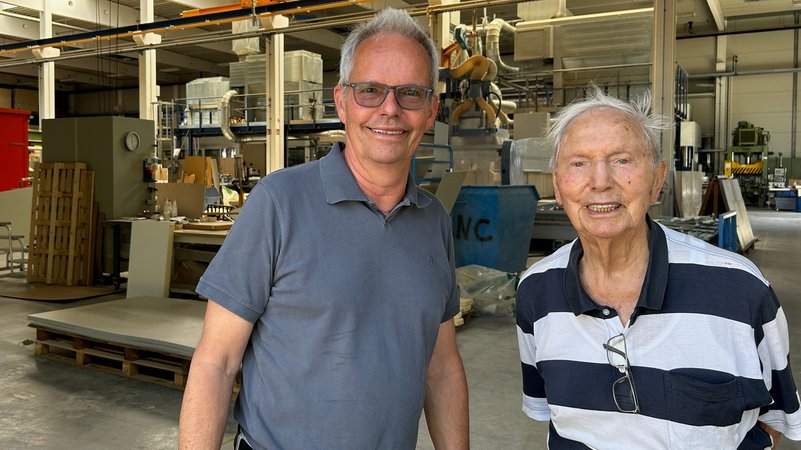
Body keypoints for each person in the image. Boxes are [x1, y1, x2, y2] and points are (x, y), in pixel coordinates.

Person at [178, 8, 469, 450]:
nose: (390, 109)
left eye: (410, 93)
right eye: (370, 91)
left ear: (430, 110)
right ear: (341, 101)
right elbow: (216, 362)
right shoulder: (278, 203)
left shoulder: (433, 220)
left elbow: (441, 367)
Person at [515, 86, 801, 449]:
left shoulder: (740, 289)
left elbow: (774, 417)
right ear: (558, 185)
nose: (600, 181)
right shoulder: (536, 290)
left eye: (622, 160)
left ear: (657, 180)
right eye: (579, 162)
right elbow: (550, 414)